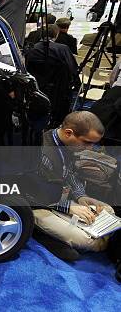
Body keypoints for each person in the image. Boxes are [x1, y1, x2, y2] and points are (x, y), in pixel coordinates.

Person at [32, 111, 116, 261]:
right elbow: (31, 193)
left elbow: (69, 173)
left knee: (107, 210)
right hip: (36, 205)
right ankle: (38, 233)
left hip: (58, 197)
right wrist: (67, 207)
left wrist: (81, 196)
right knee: (90, 241)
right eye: (87, 142)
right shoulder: (41, 151)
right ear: (69, 133)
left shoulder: (67, 145)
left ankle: (63, 235)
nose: (90, 149)